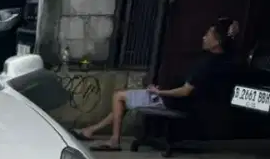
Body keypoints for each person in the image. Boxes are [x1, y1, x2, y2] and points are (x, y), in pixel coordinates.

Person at [74, 17, 238, 151]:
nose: (204, 37)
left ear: (217, 41)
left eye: (208, 35)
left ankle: (114, 140)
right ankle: (91, 130)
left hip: (173, 102)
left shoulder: (205, 64)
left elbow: (184, 92)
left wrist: (159, 93)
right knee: (124, 101)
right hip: (188, 104)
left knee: (119, 96)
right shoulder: (223, 61)